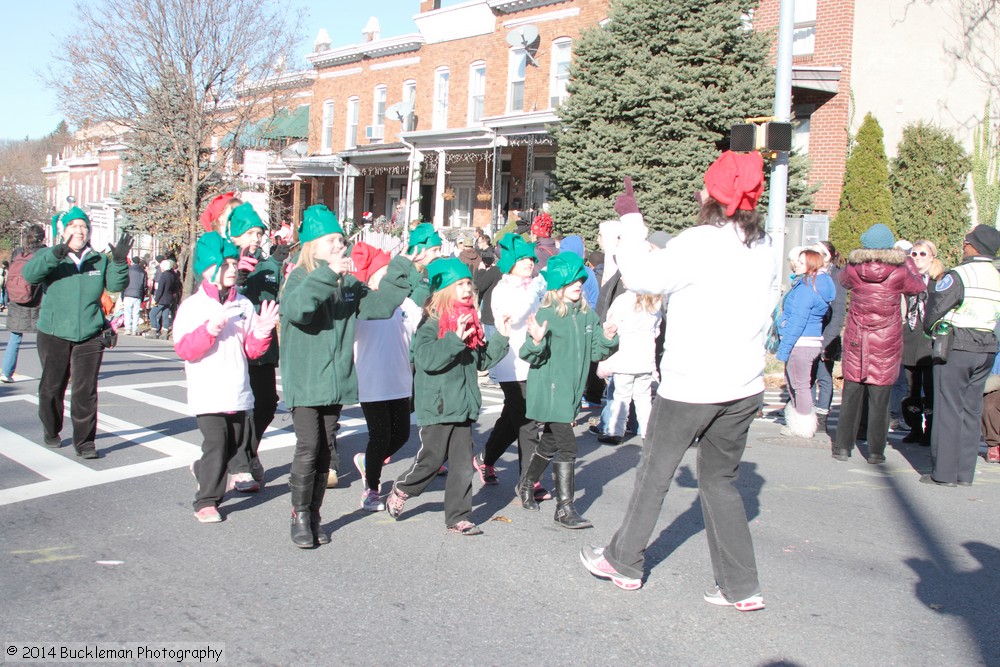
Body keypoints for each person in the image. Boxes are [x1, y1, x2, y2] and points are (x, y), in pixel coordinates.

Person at [580, 153, 775, 611]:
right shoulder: (762, 245)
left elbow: (641, 277)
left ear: (715, 198)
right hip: (743, 384)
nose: (697, 194)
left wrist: (630, 220)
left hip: (691, 384)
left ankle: (623, 562)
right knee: (721, 483)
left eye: (704, 189)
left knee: (654, 474)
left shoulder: (701, 241)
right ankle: (741, 588)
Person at [280, 205, 412, 547]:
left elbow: (380, 308)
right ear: (313, 246)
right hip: (306, 379)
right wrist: (328, 275)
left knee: (324, 450)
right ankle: (299, 515)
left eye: (341, 240)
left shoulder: (349, 282)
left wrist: (404, 268)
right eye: (332, 241)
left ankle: (315, 513)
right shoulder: (299, 277)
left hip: (336, 380)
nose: (340, 246)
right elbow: (298, 311)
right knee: (309, 447)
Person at [385, 258, 510, 535]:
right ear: (444, 290)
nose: (467, 289)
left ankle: (458, 517)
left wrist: (501, 336)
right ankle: (403, 488)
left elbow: (482, 361)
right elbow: (427, 359)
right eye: (460, 284)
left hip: (463, 407)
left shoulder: (471, 320)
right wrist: (454, 338)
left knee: (463, 465)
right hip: (438, 406)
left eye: (469, 284)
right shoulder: (431, 323)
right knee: (431, 461)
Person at [173, 233, 278, 523]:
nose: (233, 269)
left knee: (234, 446)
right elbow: (185, 349)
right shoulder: (193, 306)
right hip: (208, 391)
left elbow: (252, 351)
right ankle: (206, 501)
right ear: (209, 269)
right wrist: (210, 328)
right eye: (225, 264)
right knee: (217, 444)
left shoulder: (243, 304)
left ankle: (202, 469)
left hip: (238, 390)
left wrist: (262, 331)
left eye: (234, 263)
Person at [515, 253, 619, 529]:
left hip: (573, 391)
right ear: (559, 285)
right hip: (550, 390)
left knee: (549, 442)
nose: (579, 284)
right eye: (573, 280)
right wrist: (536, 341)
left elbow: (597, 351)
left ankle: (525, 483)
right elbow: (530, 355)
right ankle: (565, 508)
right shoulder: (546, 313)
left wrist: (608, 337)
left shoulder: (586, 314)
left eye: (581, 280)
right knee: (568, 447)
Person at [22, 207, 132, 458]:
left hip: (90, 332)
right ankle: (51, 428)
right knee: (52, 386)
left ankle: (84, 442)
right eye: (74, 226)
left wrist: (118, 262)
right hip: (54, 331)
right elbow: (30, 274)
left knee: (85, 389)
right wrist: (55, 254)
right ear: (63, 232)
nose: (80, 231)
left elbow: (115, 286)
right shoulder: (53, 256)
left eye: (83, 227)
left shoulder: (98, 259)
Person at [832, 223, 925, 464]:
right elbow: (918, 287)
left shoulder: (854, 268)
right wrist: (908, 261)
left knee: (852, 391)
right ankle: (875, 451)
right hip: (886, 338)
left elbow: (842, 281)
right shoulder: (900, 270)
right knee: (880, 395)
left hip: (857, 335)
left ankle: (843, 446)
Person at [920, 225, 1000, 487]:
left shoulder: (960, 274)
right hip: (987, 347)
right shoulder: (997, 276)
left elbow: (934, 309)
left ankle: (943, 474)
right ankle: (965, 473)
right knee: (971, 409)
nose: (963, 245)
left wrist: (931, 331)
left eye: (966, 241)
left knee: (948, 409)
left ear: (974, 246)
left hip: (958, 346)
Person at [473, 233, 549, 498]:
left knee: (513, 417)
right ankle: (530, 481)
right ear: (511, 263)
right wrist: (534, 292)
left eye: (531, 258)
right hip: (510, 363)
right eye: (523, 258)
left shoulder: (535, 286)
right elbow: (514, 317)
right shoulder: (503, 289)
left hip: (534, 360)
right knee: (527, 421)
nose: (530, 262)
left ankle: (485, 457)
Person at [351, 242, 423, 512]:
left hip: (401, 381)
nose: (389, 276)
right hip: (371, 382)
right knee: (379, 435)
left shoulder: (406, 304)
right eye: (383, 271)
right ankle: (371, 489)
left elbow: (424, 324)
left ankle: (368, 461)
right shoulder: (363, 304)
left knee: (402, 435)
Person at [226, 203, 284, 493]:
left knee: (267, 403)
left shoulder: (267, 263)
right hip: (233, 345)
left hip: (263, 346)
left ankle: (249, 452)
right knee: (240, 408)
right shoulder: (224, 259)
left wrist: (279, 266)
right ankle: (239, 466)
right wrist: (237, 280)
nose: (255, 238)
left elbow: (277, 297)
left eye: (259, 233)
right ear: (235, 236)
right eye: (249, 233)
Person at [777, 248, 835, 437]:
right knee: (798, 383)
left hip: (800, 342)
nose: (797, 265)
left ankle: (803, 426)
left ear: (811, 265)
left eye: (802, 262)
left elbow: (798, 321)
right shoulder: (817, 285)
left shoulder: (806, 288)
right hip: (810, 341)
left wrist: (784, 348)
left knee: (799, 385)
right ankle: (798, 422)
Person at [599, 286, 661, 444]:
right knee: (643, 398)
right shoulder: (655, 301)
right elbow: (657, 330)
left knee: (621, 396)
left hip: (625, 355)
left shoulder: (623, 300)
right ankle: (649, 433)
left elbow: (611, 324)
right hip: (646, 357)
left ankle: (615, 431)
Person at [900, 240, 945, 445]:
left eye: (922, 254)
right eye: (914, 254)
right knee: (911, 389)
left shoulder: (939, 281)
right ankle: (915, 427)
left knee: (930, 388)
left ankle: (930, 430)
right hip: (910, 336)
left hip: (930, 340)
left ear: (932, 257)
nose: (917, 258)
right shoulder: (906, 280)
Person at [1, 224, 46, 383]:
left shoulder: (18, 252)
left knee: (15, 337)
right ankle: (50, 373)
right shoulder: (42, 253)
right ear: (43, 237)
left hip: (16, 299)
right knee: (44, 338)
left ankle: (6, 372)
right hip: (37, 300)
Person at [809, 241, 846, 435]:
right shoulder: (809, 274)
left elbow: (838, 313)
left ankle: (821, 418)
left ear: (828, 256)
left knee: (823, 376)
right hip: (809, 334)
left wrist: (826, 340)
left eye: (818, 252)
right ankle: (806, 415)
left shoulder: (836, 277)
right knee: (808, 376)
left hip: (826, 335)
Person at [405, 223, 443, 310]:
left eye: (440, 249)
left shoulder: (434, 270)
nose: (439, 254)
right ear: (419, 252)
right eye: (434, 250)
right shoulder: (408, 274)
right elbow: (407, 309)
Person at [146, 259, 178, 340]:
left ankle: (154, 329)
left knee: (152, 314)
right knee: (165, 315)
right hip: (169, 299)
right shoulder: (172, 275)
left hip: (162, 299)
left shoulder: (163, 275)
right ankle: (165, 332)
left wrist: (156, 299)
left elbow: (160, 289)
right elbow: (175, 288)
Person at [122, 256, 147, 335]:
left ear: (132, 262)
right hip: (138, 294)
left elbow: (123, 283)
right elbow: (144, 286)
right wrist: (142, 296)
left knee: (127, 312)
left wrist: (122, 295)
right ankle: (134, 330)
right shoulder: (143, 272)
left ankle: (127, 329)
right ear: (139, 262)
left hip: (128, 293)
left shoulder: (128, 271)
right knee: (136, 313)